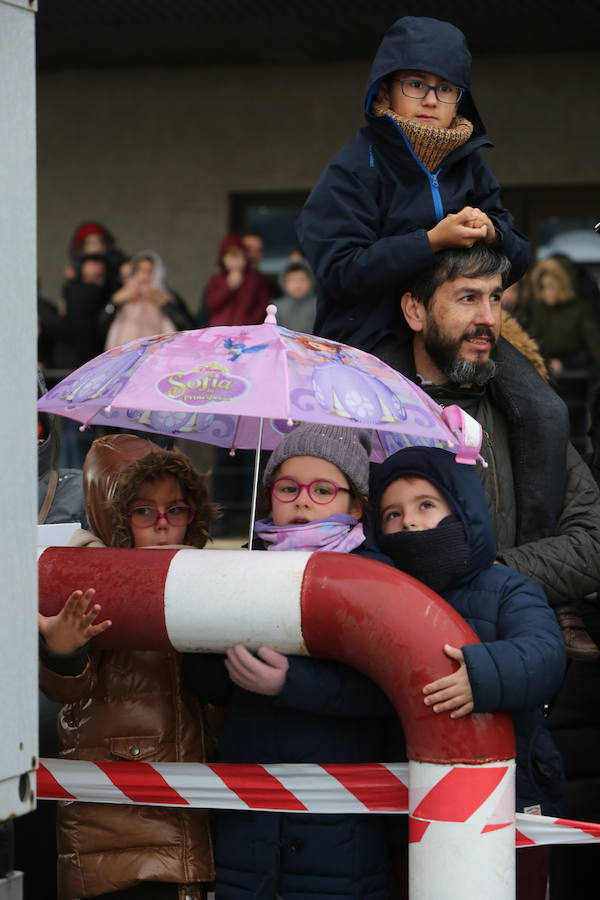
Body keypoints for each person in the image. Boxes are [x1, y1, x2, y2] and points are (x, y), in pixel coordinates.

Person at [184, 424, 395, 899]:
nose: (302, 502)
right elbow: (201, 677)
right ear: (269, 495)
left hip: (340, 821)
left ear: (355, 505)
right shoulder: (241, 564)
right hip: (249, 816)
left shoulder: (379, 578)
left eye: (323, 490)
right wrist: (225, 660)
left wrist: (292, 682)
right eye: (287, 487)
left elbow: (386, 688)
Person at [378, 241, 600, 661]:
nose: (488, 319)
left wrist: (491, 570)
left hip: (518, 664)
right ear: (415, 311)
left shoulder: (529, 421)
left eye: (495, 298)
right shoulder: (371, 417)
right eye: (468, 298)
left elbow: (593, 538)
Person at [370, 445, 566, 899]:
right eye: (392, 515)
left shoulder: (507, 587)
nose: (411, 523)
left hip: (513, 801)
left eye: (426, 506)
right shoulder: (379, 597)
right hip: (411, 799)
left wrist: (481, 674)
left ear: (463, 509)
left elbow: (544, 654)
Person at [38, 434, 218, 900]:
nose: (162, 526)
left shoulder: (205, 580)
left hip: (190, 820)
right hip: (114, 831)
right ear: (114, 516)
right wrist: (64, 651)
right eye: (143, 511)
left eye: (176, 510)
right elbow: (69, 691)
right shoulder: (86, 576)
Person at [296, 15, 530, 351]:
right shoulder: (354, 166)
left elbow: (520, 259)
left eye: (446, 88)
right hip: (370, 342)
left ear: (459, 100)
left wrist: (494, 233)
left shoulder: (471, 165)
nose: (432, 100)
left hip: (459, 338)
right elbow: (338, 271)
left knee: (546, 407)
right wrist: (429, 243)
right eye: (416, 84)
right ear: (386, 89)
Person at [104, 249, 190, 350]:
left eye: (149, 271)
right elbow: (109, 327)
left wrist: (165, 304)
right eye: (139, 270)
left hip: (154, 352)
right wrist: (114, 302)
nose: (143, 276)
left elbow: (179, 326)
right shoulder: (123, 294)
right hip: (126, 352)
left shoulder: (164, 296)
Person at [527, 256, 600, 375]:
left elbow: (594, 350)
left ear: (561, 284)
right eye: (543, 287)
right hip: (546, 373)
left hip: (577, 376)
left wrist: (566, 363)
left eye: (551, 286)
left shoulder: (581, 310)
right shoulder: (538, 309)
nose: (547, 292)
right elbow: (532, 341)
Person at [198, 233, 271, 327]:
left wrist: (250, 325)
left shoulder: (255, 279)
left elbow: (262, 306)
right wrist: (228, 287)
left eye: (239, 256)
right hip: (219, 329)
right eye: (232, 256)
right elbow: (210, 304)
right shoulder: (217, 279)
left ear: (245, 258)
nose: (235, 261)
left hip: (246, 330)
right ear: (223, 259)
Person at [274, 258, 317, 334]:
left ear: (311, 281)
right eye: (293, 280)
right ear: (283, 282)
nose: (298, 284)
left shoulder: (317, 304)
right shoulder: (278, 306)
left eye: (302, 279)